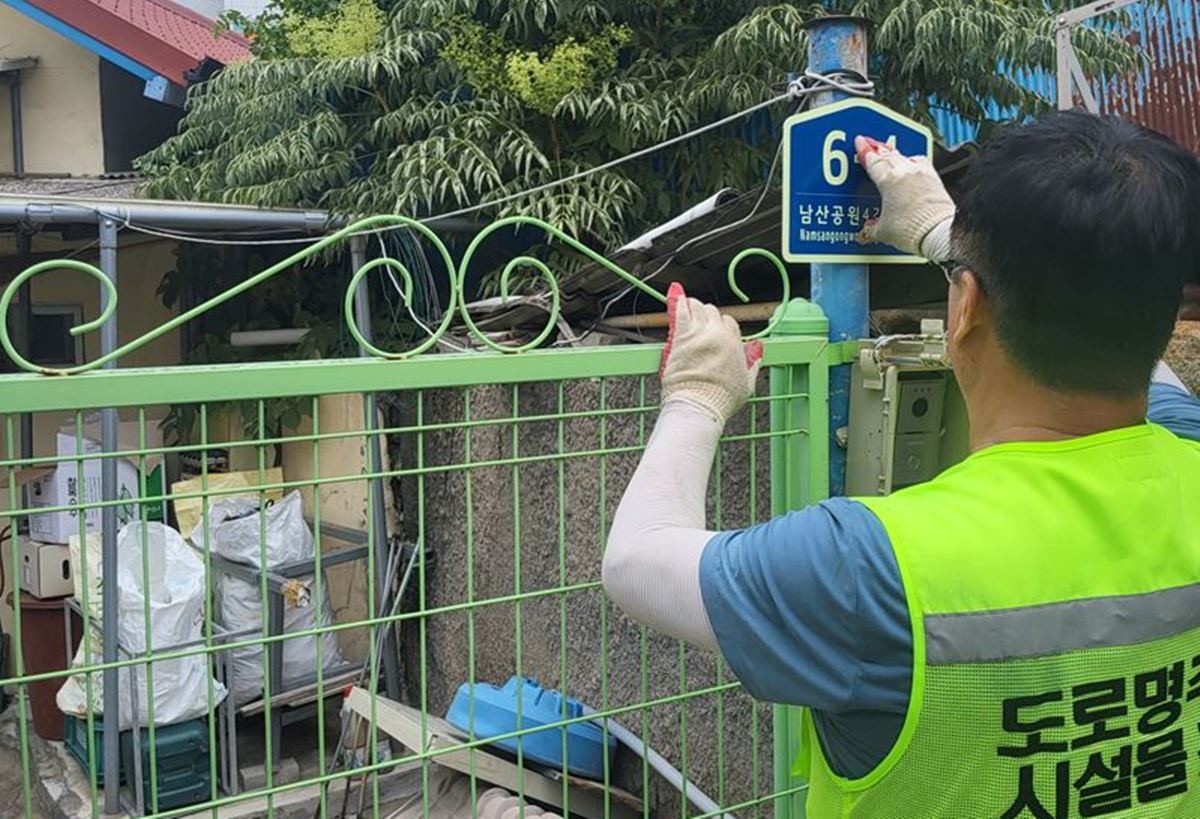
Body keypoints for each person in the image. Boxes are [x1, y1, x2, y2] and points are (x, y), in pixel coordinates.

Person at [601, 111, 1200, 817]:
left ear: (966, 307)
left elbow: (636, 560)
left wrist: (698, 396)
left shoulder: (873, 567)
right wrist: (948, 237)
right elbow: (1147, 362)